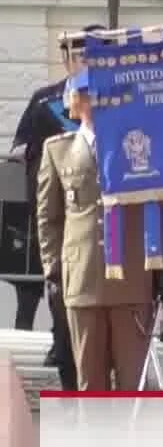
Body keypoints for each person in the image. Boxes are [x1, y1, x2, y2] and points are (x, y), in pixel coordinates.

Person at [36, 62, 163, 392]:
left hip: (131, 281)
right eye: (89, 95)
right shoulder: (58, 150)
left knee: (131, 386)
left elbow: (162, 206)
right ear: (77, 101)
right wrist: (54, 270)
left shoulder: (140, 145)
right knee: (90, 386)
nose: (98, 102)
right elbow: (48, 218)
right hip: (82, 283)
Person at [10, 27, 103, 390]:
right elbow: (22, 153)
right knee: (61, 287)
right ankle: (63, 345)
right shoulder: (44, 100)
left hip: (100, 216)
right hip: (58, 214)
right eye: (82, 53)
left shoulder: (121, 101)